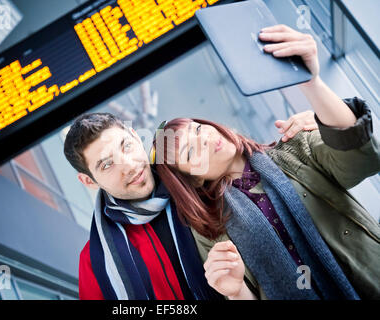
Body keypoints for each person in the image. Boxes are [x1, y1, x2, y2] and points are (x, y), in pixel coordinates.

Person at [151, 24, 380, 300]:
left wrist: (311, 82)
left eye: (198, 129)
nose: (204, 140)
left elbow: (360, 158)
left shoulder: (294, 148)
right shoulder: (210, 228)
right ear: (195, 179)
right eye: (189, 153)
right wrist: (236, 293)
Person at [63, 108, 318, 300]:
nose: (129, 166)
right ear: (88, 180)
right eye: (107, 165)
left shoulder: (198, 179)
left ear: (134, 135)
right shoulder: (96, 263)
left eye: (127, 146)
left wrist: (316, 123)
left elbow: (246, 157)